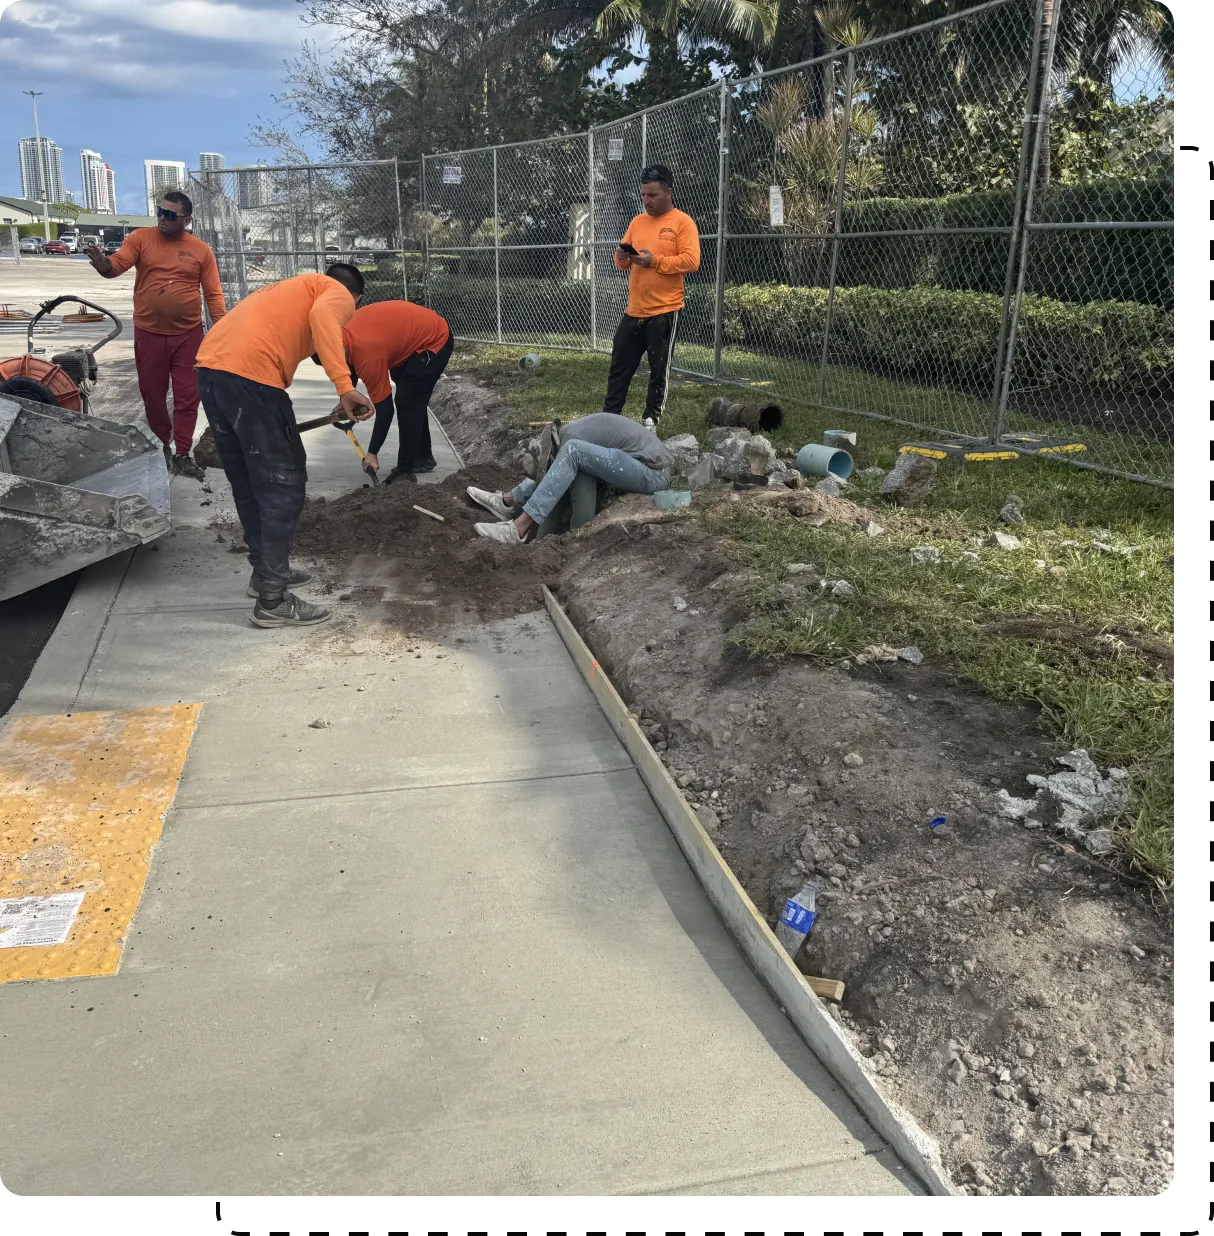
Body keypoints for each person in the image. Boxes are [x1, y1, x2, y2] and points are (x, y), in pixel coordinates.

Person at [194, 265, 375, 629]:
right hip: (251, 377)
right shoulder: (336, 294)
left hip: (212, 370)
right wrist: (344, 385)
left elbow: (311, 334)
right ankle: (273, 600)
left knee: (247, 481)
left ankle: (266, 573)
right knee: (284, 484)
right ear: (356, 297)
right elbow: (325, 319)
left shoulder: (296, 288)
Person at [86, 190, 225, 480]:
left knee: (188, 397)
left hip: (189, 336)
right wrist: (103, 264)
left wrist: (224, 330)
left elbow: (213, 294)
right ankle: (163, 444)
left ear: (186, 220)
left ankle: (182, 454)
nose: (162, 218)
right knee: (153, 396)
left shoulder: (200, 250)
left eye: (170, 215)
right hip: (150, 334)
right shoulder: (141, 238)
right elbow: (116, 266)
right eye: (160, 212)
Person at [467, 412, 673, 545]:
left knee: (573, 452)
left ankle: (518, 525)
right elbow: (560, 478)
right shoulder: (569, 435)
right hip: (639, 466)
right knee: (573, 463)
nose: (548, 475)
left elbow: (557, 474)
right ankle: (508, 502)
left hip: (652, 472)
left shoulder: (572, 442)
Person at [605, 165, 700, 429]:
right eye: (643, 195)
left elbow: (692, 261)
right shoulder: (637, 222)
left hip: (665, 311)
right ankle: (609, 418)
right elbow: (622, 260)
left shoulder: (683, 222)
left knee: (658, 370)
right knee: (619, 366)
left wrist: (654, 261)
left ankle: (650, 421)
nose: (646, 201)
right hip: (634, 310)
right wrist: (622, 257)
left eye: (652, 195)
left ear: (668, 192)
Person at [336, 299, 454, 484]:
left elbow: (385, 410)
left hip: (434, 339)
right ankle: (422, 457)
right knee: (413, 397)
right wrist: (345, 397)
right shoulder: (340, 334)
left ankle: (405, 471)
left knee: (408, 400)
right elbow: (346, 366)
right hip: (409, 340)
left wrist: (372, 453)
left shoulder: (366, 354)